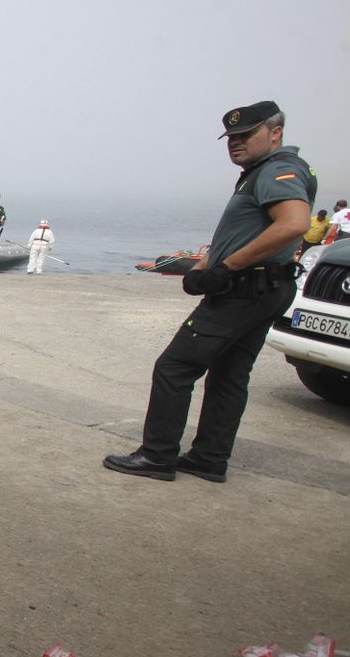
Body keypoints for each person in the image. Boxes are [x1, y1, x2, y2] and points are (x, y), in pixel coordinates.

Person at [105, 101, 315, 483]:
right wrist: (205, 264)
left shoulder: (276, 170)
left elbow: (293, 224)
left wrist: (225, 269)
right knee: (229, 374)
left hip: (243, 291)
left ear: (275, 132)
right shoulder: (263, 171)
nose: (235, 143)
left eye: (245, 134)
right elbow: (251, 231)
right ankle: (209, 458)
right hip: (267, 286)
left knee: (175, 367)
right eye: (231, 137)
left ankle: (157, 455)